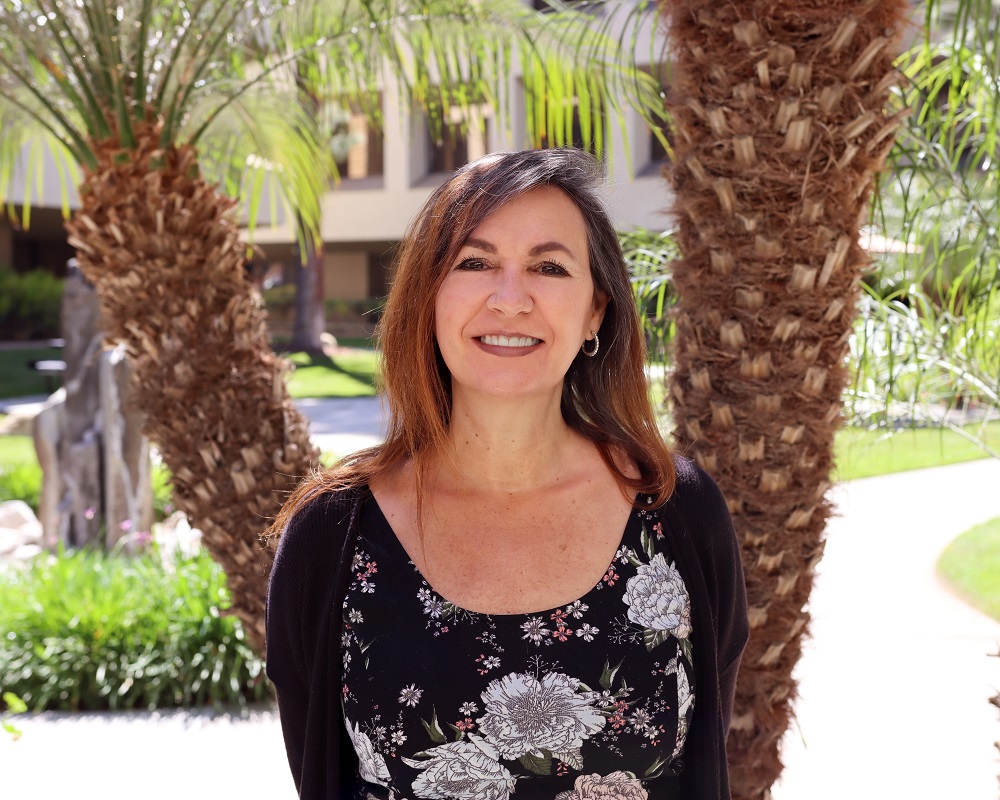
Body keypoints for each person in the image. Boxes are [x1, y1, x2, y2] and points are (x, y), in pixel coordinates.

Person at [265, 148, 749, 800]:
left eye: (549, 267)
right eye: (475, 262)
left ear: (595, 314)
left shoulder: (676, 513)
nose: (510, 298)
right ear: (428, 297)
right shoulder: (333, 539)